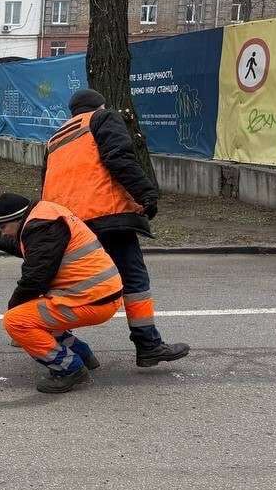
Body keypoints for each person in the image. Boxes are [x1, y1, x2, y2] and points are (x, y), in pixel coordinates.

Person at [41, 88, 190, 368]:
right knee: (133, 279)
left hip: (67, 224)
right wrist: (146, 193)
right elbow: (119, 157)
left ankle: (57, 338)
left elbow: (46, 185)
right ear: (100, 105)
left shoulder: (56, 137)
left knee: (69, 283)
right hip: (106, 217)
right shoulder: (102, 118)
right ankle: (148, 344)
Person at [0, 193, 123, 394]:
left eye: (3, 228)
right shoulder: (43, 217)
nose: (4, 233)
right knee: (36, 313)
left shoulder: (41, 226)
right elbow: (31, 250)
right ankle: (82, 353)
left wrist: (14, 308)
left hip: (90, 299)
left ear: (17, 219)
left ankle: (70, 369)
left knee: (16, 321)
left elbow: (35, 278)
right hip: (97, 294)